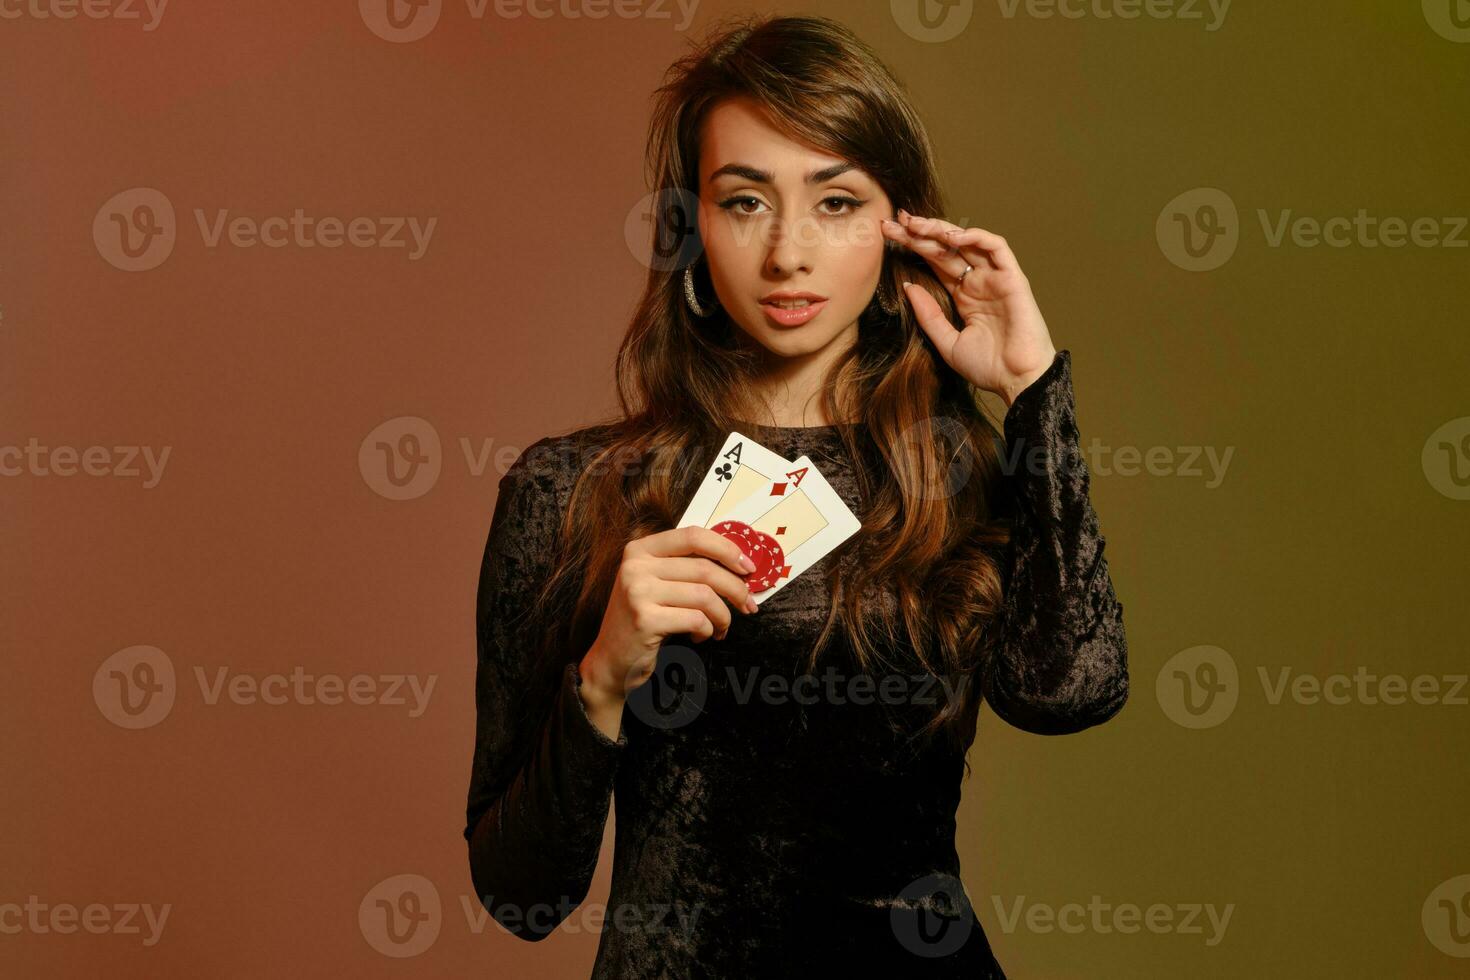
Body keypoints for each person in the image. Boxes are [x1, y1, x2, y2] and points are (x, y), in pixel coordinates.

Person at [464, 13, 1129, 978]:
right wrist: (604, 674)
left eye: (836, 203)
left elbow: (1071, 690)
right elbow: (522, 896)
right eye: (744, 202)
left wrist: (1032, 392)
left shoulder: (958, 476)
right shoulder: (569, 492)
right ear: (693, 226)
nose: (788, 254)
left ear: (898, 225)